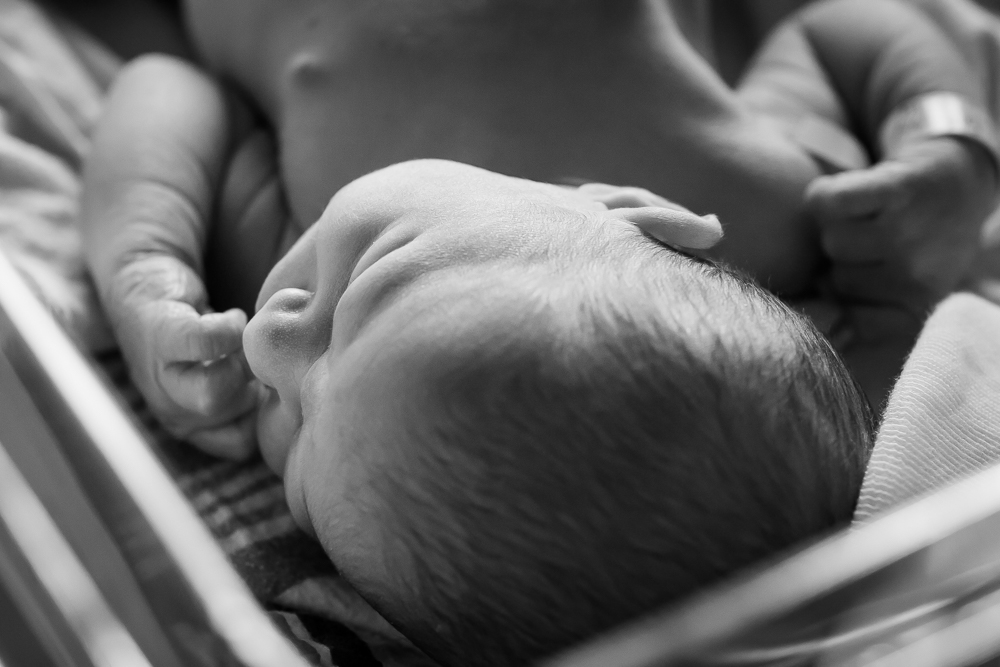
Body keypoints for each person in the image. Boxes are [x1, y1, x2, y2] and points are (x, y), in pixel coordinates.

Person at [241, 158, 873, 667]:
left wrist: (150, 262)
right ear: (635, 212)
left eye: (300, 448)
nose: (263, 341)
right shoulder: (778, 201)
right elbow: (849, 36)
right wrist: (946, 133)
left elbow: (168, 85)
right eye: (367, 286)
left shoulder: (260, 255)